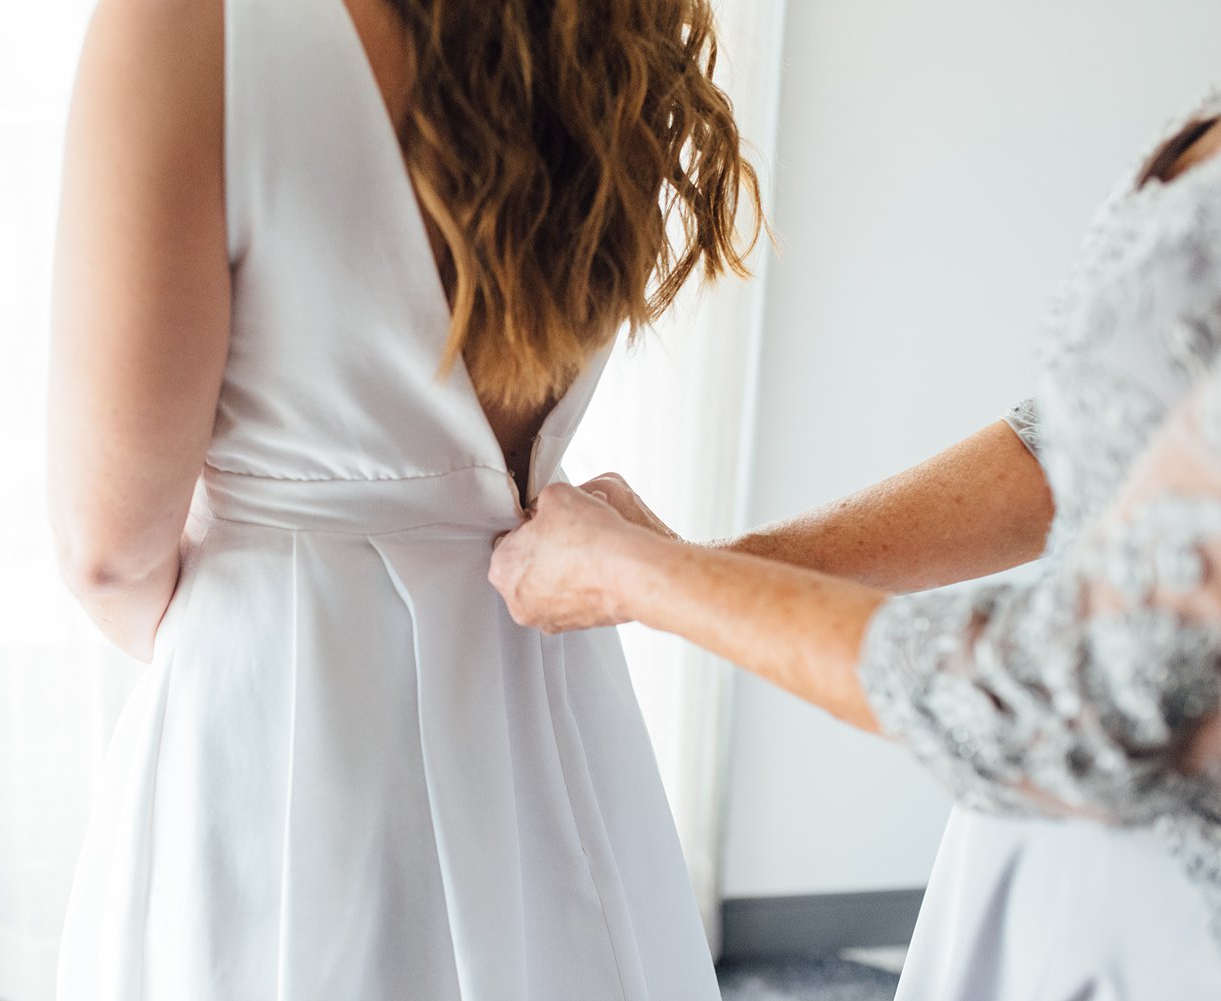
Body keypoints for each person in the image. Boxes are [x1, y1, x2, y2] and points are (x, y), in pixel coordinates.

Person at [43, 0, 762, 996]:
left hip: (284, 700)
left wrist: (246, 646)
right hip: (537, 672)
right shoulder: (607, 20)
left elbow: (107, 550)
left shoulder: (187, 22)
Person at [490, 90, 1221, 998]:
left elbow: (1070, 700)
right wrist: (728, 558)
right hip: (1033, 852)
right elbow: (1081, 443)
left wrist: (648, 579)